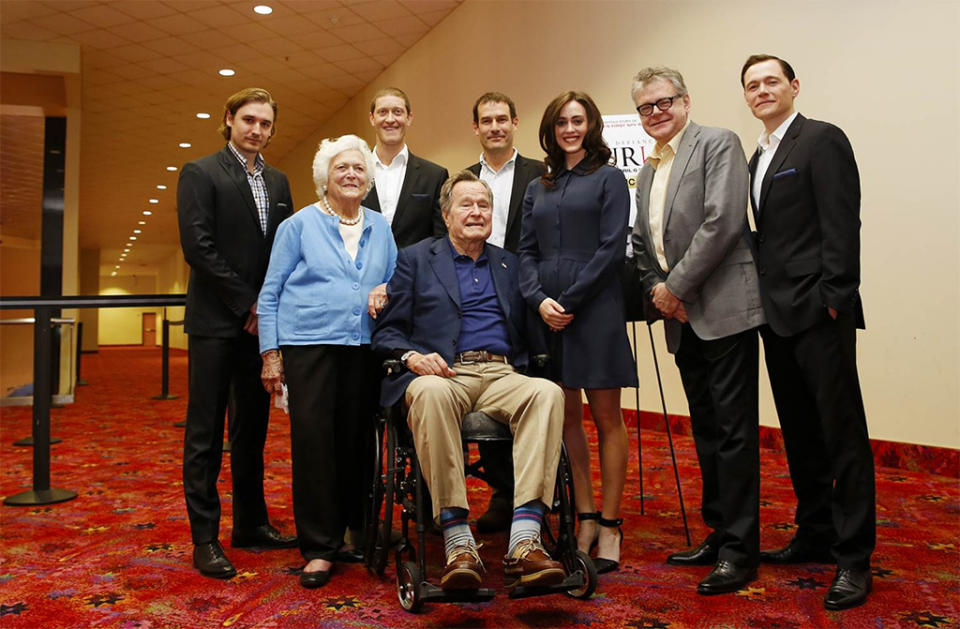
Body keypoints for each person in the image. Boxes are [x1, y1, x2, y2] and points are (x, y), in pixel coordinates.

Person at [372, 171, 567, 591]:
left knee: (548, 392)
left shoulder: (509, 263)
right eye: (466, 204)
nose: (477, 212)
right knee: (426, 392)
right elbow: (387, 331)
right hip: (444, 371)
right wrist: (412, 357)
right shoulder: (416, 259)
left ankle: (526, 539)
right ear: (445, 215)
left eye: (484, 205)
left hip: (501, 372)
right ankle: (458, 540)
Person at [741, 54, 875, 610]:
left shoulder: (822, 139)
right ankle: (815, 532)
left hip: (820, 313)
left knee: (841, 434)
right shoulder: (757, 156)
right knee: (799, 432)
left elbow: (843, 221)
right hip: (775, 317)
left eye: (772, 81)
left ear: (794, 86)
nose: (762, 90)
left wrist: (835, 301)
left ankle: (854, 558)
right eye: (752, 85)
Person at [630, 67, 765, 594]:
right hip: (681, 317)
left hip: (723, 311)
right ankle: (719, 531)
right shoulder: (646, 171)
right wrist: (660, 290)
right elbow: (642, 241)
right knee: (707, 431)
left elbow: (723, 222)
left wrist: (675, 289)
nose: (656, 113)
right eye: (645, 108)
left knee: (734, 433)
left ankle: (741, 550)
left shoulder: (717, 143)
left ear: (685, 100)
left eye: (664, 102)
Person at [257, 134, 397, 588]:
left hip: (363, 349)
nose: (352, 175)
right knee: (315, 445)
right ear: (325, 177)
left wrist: (387, 291)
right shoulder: (298, 226)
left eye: (358, 168)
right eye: (342, 168)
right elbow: (271, 293)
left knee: (359, 443)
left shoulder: (381, 226)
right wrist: (271, 354)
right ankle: (319, 547)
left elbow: (395, 281)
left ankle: (357, 530)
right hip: (310, 347)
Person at [177, 87, 296, 580]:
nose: (257, 130)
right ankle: (204, 539)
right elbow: (198, 247)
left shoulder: (279, 180)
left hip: (259, 327)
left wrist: (267, 308)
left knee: (251, 431)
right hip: (215, 323)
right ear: (228, 119)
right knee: (205, 435)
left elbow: (284, 251)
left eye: (266, 124)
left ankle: (251, 524)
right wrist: (247, 301)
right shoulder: (200, 173)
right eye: (249, 120)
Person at [518, 91, 637, 574]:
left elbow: (612, 249)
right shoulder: (537, 185)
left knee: (608, 419)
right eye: (562, 122)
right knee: (565, 418)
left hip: (596, 309)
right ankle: (584, 517)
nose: (570, 129)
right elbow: (524, 250)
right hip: (547, 314)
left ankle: (610, 524)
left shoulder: (609, 178)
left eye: (578, 120)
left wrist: (569, 301)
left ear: (591, 126)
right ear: (550, 129)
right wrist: (538, 299)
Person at [464, 91, 547, 533]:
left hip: (529, 300)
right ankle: (503, 491)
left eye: (502, 119)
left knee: (534, 387)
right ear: (475, 128)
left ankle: (536, 496)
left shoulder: (543, 174)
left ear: (515, 122)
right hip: (478, 305)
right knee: (488, 391)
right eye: (486, 120)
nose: (494, 126)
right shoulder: (463, 180)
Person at [365, 87, 449, 248]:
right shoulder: (354, 174)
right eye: (382, 112)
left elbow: (441, 239)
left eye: (397, 112)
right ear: (372, 118)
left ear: (409, 118)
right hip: (363, 272)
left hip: (416, 271)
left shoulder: (434, 176)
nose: (390, 119)